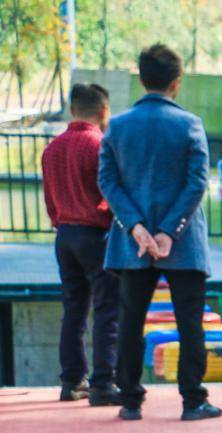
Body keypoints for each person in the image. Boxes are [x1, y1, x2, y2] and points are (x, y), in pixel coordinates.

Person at [99, 44, 219, 422]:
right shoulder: (189, 124)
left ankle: (131, 399)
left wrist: (136, 227)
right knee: (189, 323)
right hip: (183, 244)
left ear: (141, 77)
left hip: (132, 244)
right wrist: (170, 230)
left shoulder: (117, 126)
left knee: (130, 321)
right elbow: (196, 182)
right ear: (176, 83)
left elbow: (108, 180)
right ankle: (192, 399)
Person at [41, 82, 120, 406]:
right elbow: (110, 195)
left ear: (73, 110)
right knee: (107, 308)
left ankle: (72, 381)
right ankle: (103, 383)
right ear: (104, 111)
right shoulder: (100, 145)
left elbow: (49, 198)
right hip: (94, 235)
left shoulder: (52, 149)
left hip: (64, 236)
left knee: (73, 309)